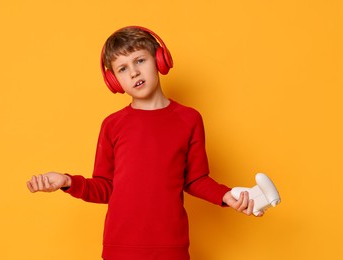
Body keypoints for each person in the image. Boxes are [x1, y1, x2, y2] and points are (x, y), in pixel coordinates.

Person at [26, 26, 261, 260]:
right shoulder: (112, 125)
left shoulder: (189, 119)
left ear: (159, 60)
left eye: (140, 61)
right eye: (123, 68)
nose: (134, 73)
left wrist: (226, 195)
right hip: (120, 248)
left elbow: (196, 179)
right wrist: (68, 182)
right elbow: (105, 187)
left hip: (171, 247)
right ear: (114, 81)